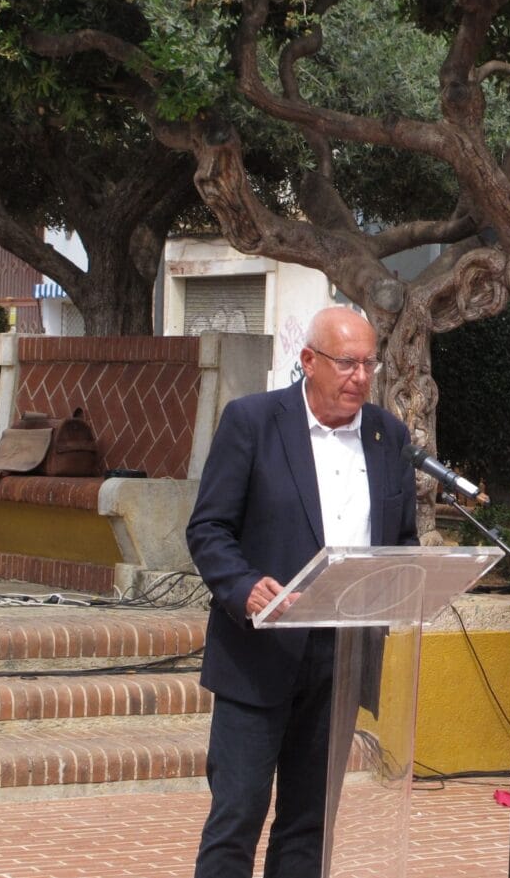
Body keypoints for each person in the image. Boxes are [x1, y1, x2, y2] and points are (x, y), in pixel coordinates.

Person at [186, 307, 418, 878]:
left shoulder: (390, 436)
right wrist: (242, 588)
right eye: (347, 363)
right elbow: (208, 528)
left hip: (343, 655)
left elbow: (403, 539)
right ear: (309, 361)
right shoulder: (252, 421)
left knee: (309, 824)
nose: (360, 377)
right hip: (261, 651)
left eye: (370, 364)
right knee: (237, 816)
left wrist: (403, 582)